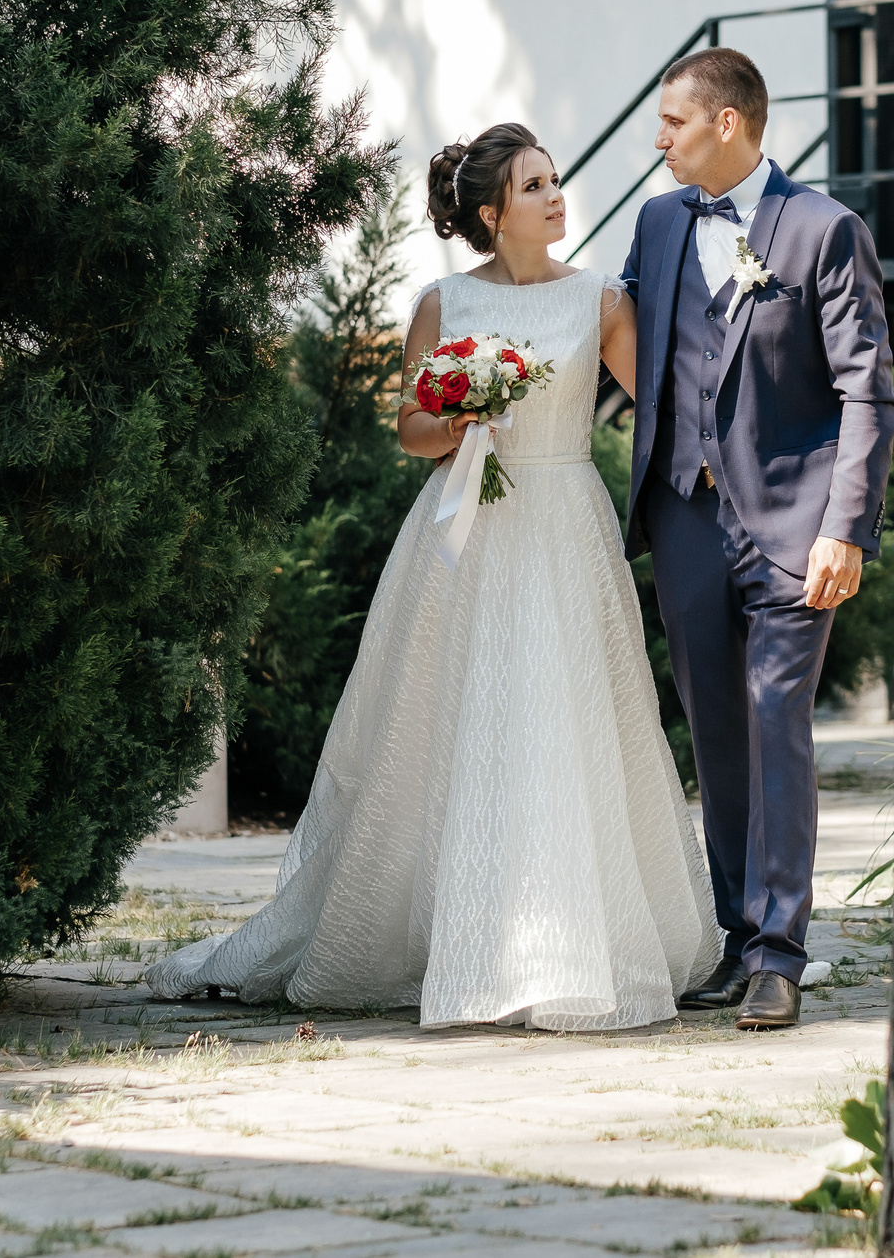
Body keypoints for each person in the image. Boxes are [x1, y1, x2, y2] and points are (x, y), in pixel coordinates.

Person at [146, 123, 718, 1029]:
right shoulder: (441, 303)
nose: (557, 196)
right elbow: (410, 428)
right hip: (466, 527)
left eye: (556, 180)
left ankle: (576, 941)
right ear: (493, 214)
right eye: (535, 186)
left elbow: (667, 405)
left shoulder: (602, 302)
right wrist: (460, 415)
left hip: (565, 523)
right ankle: (465, 935)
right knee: (452, 723)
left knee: (565, 718)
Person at [621, 47, 894, 1031]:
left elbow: (867, 387)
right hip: (682, 513)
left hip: (792, 520)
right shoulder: (656, 226)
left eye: (671, 122)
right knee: (717, 734)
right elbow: (621, 336)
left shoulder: (823, 229)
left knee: (776, 717)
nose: (657, 139)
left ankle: (780, 953)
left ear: (727, 123)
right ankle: (738, 941)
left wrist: (846, 527)